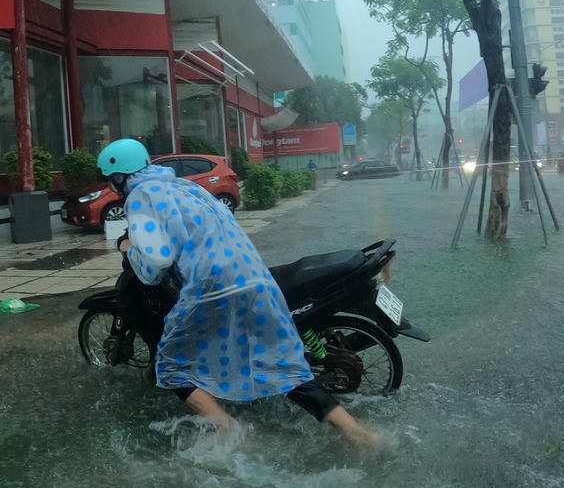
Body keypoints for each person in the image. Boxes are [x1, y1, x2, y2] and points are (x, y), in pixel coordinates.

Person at [96, 138, 387, 448]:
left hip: (213, 287)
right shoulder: (184, 187)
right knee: (282, 364)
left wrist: (129, 248)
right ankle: (361, 434)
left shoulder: (140, 196)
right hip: (255, 279)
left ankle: (228, 428)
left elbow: (156, 260)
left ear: (118, 178)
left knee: (172, 368)